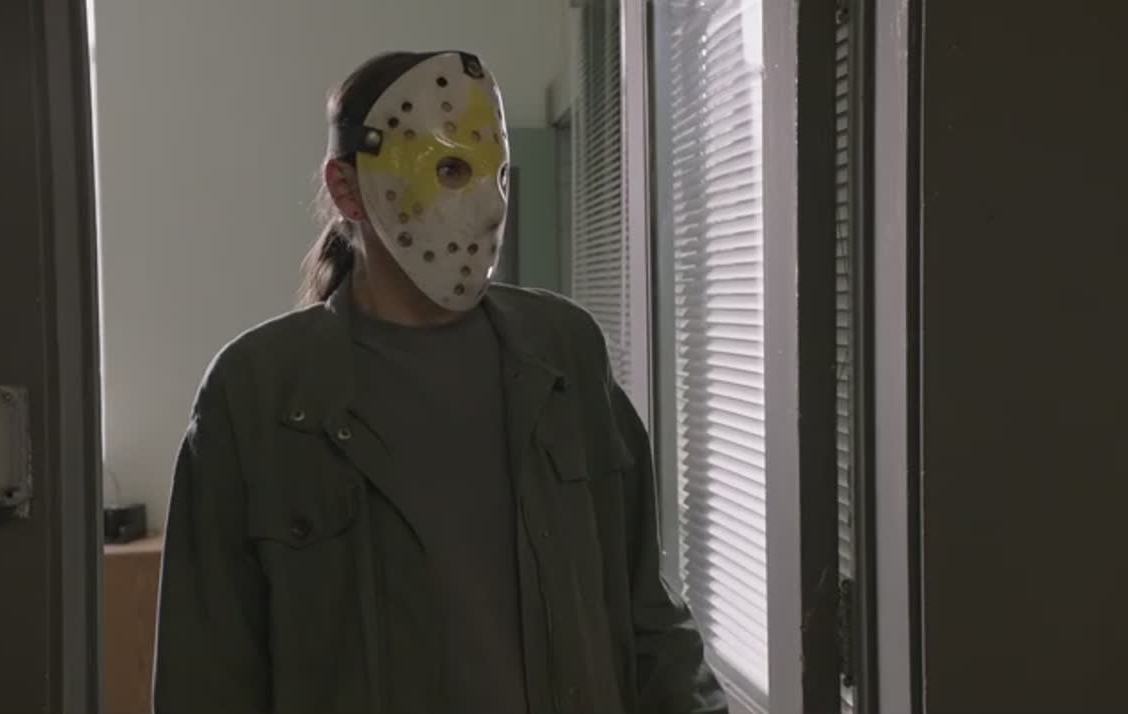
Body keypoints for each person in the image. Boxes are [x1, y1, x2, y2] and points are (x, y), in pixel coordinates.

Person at [152, 50, 726, 714]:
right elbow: (207, 675)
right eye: (451, 170)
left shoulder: (564, 353)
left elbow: (644, 608)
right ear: (347, 189)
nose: (489, 206)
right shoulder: (258, 394)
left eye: (498, 173)